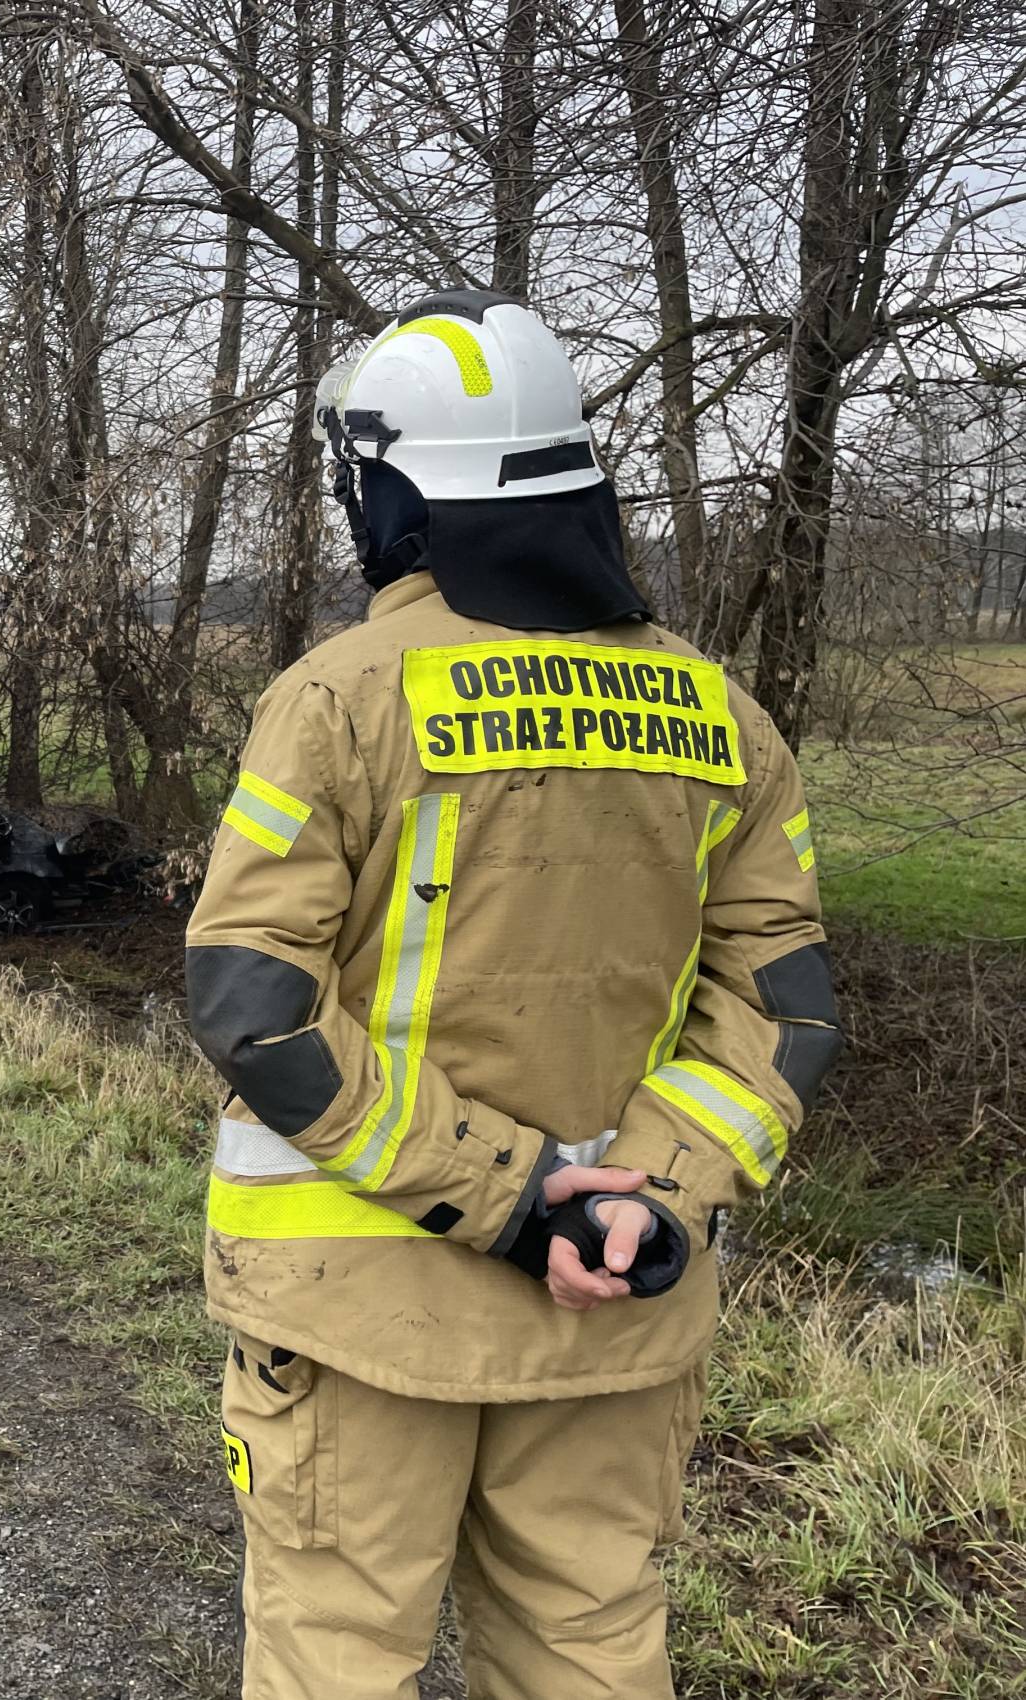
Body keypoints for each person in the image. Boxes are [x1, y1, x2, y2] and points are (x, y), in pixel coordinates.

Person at [187, 290, 839, 1699]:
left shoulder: (339, 698)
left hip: (361, 1307)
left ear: (396, 493)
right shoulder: (719, 715)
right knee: (589, 1648)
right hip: (615, 1298)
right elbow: (783, 1007)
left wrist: (507, 1198)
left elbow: (253, 1003)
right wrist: (644, 1196)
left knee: (336, 1653)